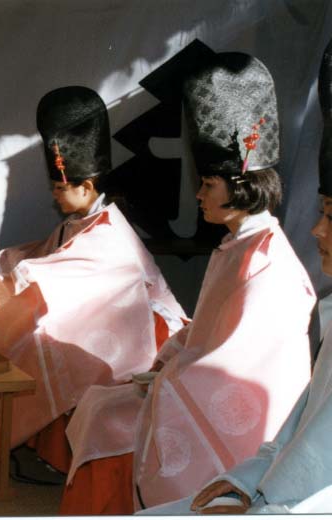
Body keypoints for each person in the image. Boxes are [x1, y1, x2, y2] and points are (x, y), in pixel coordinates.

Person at [137, 37, 332, 517]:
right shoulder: (237, 246)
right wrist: (167, 363)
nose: (199, 195)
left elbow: (238, 372)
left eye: (207, 183)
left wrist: (166, 381)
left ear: (241, 183)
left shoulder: (269, 266)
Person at [0, 86, 186, 473]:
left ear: (86, 186)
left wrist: (5, 277)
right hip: (104, 326)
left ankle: (19, 442)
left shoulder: (110, 232)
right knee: (32, 333)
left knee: (35, 340)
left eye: (59, 188)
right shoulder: (80, 221)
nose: (54, 196)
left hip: (142, 341)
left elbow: (52, 275)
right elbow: (42, 257)